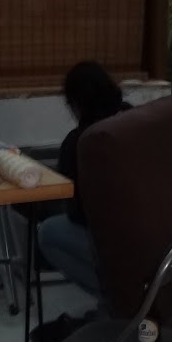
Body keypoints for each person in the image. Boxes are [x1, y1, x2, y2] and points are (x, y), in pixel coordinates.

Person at [37, 61, 129, 306]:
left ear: (76, 103)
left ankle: (117, 300)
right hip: (161, 238)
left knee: (47, 232)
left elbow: (78, 212)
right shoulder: (135, 118)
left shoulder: (80, 141)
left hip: (116, 240)